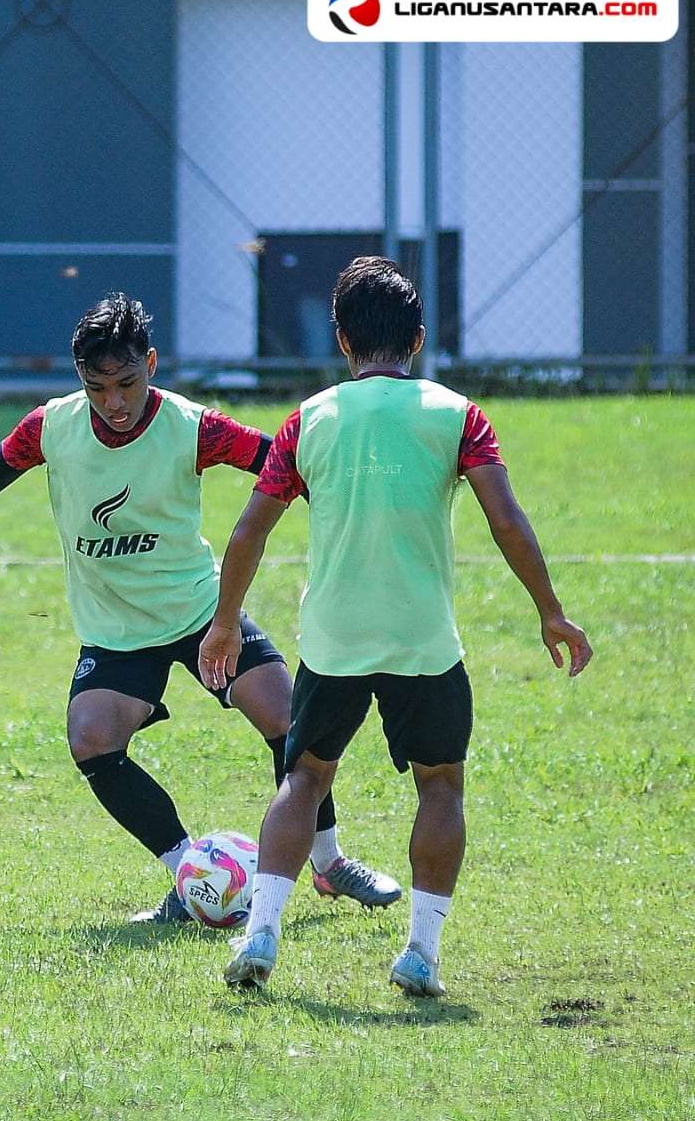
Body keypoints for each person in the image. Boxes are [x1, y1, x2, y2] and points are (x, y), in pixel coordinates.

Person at [0, 293, 400, 922]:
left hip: (198, 610)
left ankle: (330, 862)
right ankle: (187, 875)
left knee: (288, 719)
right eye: (97, 388)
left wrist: (348, 506)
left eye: (127, 382)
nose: (114, 402)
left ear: (150, 363)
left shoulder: (190, 425)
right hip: (115, 628)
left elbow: (276, 461)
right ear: (80, 381)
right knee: (91, 740)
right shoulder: (53, 425)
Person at [199, 256, 592, 995]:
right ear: (415, 338)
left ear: (342, 341)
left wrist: (224, 623)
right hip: (422, 640)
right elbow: (505, 518)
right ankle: (421, 952)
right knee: (440, 786)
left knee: (305, 777)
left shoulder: (307, 420)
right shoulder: (458, 415)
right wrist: (550, 611)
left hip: (334, 639)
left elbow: (250, 530)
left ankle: (261, 937)